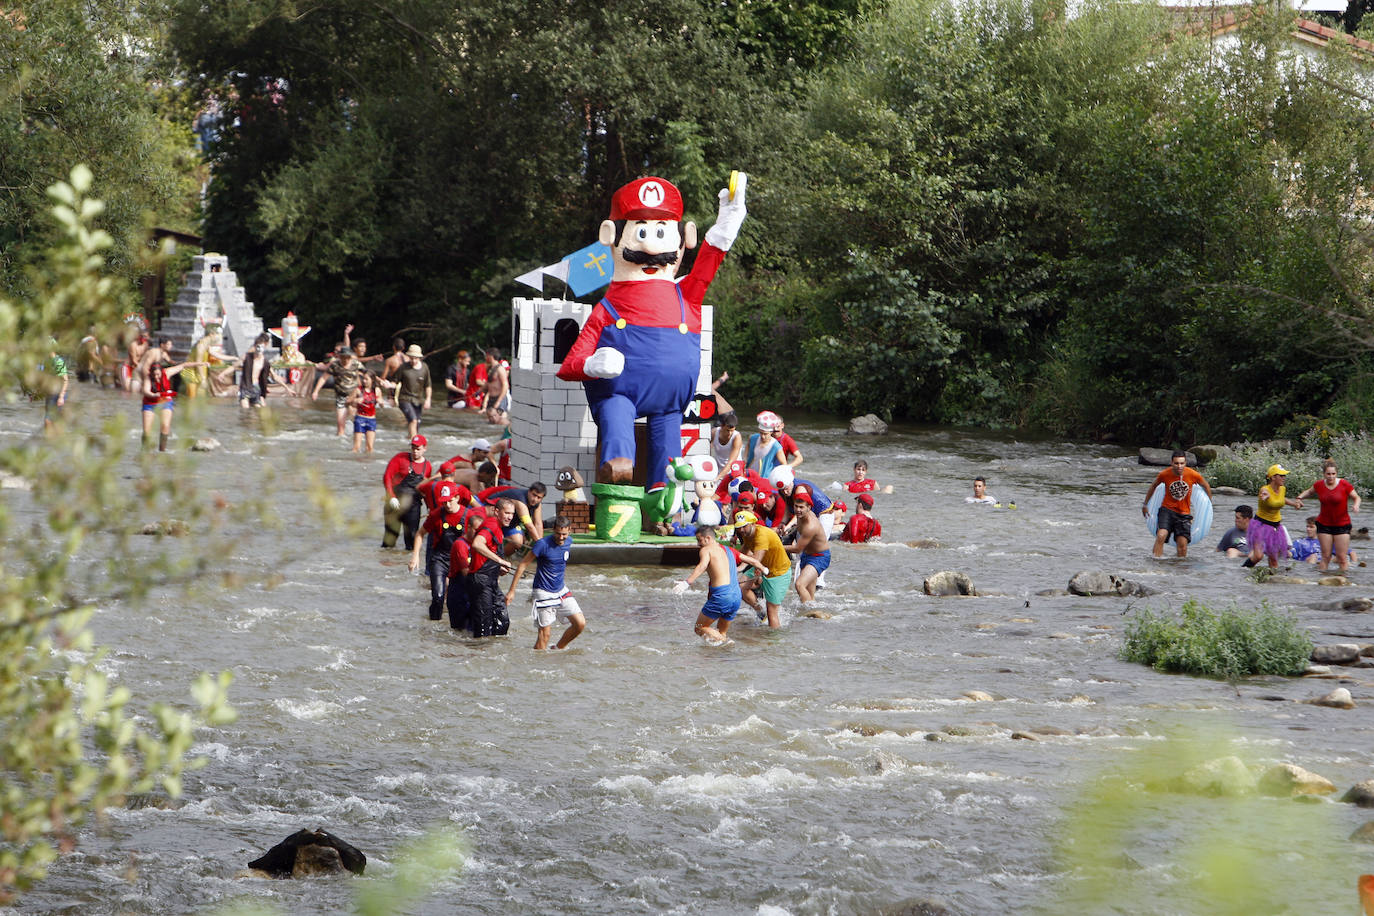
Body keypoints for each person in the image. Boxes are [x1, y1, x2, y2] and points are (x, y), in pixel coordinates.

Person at [556, 174, 746, 487]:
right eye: (640, 232)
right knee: (616, 413)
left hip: (670, 403)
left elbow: (711, 260)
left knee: (669, 459)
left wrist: (729, 221)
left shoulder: (687, 296)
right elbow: (569, 366)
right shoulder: (606, 309)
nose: (650, 246)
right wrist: (592, 364)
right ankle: (617, 462)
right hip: (621, 392)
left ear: (685, 237)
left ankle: (664, 505)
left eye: (661, 232)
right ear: (611, 235)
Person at [674, 526, 765, 644]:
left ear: (707, 538)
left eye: (699, 540)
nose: (698, 544)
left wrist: (687, 583)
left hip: (722, 596)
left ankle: (727, 642)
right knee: (720, 633)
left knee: (699, 628)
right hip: (736, 596)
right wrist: (764, 569)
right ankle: (721, 658)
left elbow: (702, 566)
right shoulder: (729, 550)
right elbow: (753, 561)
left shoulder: (706, 550)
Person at [507, 516, 586, 649]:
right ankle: (537, 665)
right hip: (543, 591)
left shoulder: (569, 541)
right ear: (553, 530)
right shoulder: (542, 544)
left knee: (580, 624)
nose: (561, 537)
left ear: (569, 531)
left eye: (564, 534)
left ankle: (558, 648)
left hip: (560, 589)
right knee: (545, 635)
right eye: (558, 534)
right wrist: (511, 591)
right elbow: (522, 565)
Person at [409, 482, 472, 622]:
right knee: (438, 597)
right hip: (439, 559)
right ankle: (433, 627)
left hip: (460, 561)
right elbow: (420, 533)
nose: (447, 505)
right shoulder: (436, 514)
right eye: (444, 502)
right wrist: (415, 556)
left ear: (457, 498)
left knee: (460, 599)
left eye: (450, 501)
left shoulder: (469, 515)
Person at [1141, 450, 1212, 558]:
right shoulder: (1164, 474)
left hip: (1183, 514)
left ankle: (1179, 570)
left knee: (1182, 544)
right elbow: (1153, 486)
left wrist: (1209, 506)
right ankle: (1155, 564)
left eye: (1182, 463)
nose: (1179, 466)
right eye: (1176, 463)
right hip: (1167, 510)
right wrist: (1145, 505)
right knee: (1161, 535)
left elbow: (1206, 486)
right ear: (1171, 463)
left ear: (1185, 463)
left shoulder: (1192, 474)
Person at [1298, 460, 1362, 573]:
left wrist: (1356, 505)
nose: (1331, 476)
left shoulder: (1344, 484)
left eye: (1333, 474)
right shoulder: (1319, 485)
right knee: (1325, 556)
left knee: (1342, 557)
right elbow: (1309, 492)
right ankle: (1323, 585)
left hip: (1342, 525)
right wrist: (1299, 498)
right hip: (1324, 525)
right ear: (1324, 474)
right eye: (1328, 474)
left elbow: (1356, 497)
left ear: (1336, 474)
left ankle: (1342, 583)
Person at [732, 510, 791, 628]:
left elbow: (756, 560)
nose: (741, 530)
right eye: (739, 527)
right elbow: (742, 552)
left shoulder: (761, 535)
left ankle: (773, 640)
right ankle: (760, 612)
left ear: (752, 523)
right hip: (762, 566)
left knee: (772, 611)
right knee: (741, 588)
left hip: (778, 572)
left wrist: (740, 568)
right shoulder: (748, 534)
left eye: (744, 526)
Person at [467, 498, 515, 637]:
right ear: (496, 511)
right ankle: (479, 653)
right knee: (483, 628)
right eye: (506, 513)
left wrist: (498, 568)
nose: (510, 517)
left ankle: (494, 655)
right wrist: (500, 560)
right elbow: (477, 544)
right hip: (480, 580)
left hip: (491, 580)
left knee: (502, 622)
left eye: (512, 513)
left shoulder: (499, 529)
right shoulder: (492, 524)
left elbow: (486, 553)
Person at [1244, 464, 1302, 568]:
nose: (1284, 478)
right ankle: (1244, 571)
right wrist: (1265, 497)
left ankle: (1272, 580)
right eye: (1281, 475)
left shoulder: (1282, 489)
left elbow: (1281, 499)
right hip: (1260, 525)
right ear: (1273, 477)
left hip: (1275, 527)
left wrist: (1294, 504)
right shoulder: (1265, 489)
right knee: (1258, 556)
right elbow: (1264, 495)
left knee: (1273, 560)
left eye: (1284, 476)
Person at [141, 359, 204, 451]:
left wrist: (201, 363)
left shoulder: (167, 372)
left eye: (158, 374)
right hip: (150, 403)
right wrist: (153, 394)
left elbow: (184, 365)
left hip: (165, 401)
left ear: (162, 372)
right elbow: (145, 391)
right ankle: (145, 452)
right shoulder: (148, 378)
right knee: (147, 431)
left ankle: (162, 450)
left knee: (165, 426)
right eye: (154, 375)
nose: (156, 377)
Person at [382, 435, 433, 549]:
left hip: (413, 507)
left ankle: (407, 564)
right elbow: (387, 477)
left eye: (418, 449)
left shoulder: (427, 466)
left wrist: (430, 507)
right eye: (413, 448)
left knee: (411, 540)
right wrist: (391, 497)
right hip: (394, 504)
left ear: (425, 448)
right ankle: (386, 564)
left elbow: (425, 489)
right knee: (389, 540)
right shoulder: (400, 458)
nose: (415, 451)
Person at [785, 489, 831, 606]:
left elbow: (797, 549)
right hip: (807, 555)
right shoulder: (800, 515)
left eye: (801, 507)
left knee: (799, 585)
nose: (798, 510)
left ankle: (813, 612)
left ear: (809, 508)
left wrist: (776, 546)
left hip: (819, 557)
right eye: (796, 506)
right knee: (809, 596)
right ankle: (812, 620)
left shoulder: (811, 525)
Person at [312, 345, 365, 437]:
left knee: (356, 420)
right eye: (343, 358)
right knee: (340, 426)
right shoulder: (335, 365)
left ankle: (354, 433)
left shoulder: (356, 364)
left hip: (354, 396)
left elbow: (368, 375)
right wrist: (316, 391)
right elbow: (324, 378)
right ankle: (341, 439)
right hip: (340, 396)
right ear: (340, 357)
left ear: (350, 357)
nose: (345, 360)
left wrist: (376, 384)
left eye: (347, 358)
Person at [476, 481, 547, 545]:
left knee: (517, 542)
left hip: (509, 522)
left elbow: (538, 524)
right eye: (534, 495)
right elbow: (529, 526)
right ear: (529, 491)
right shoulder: (520, 500)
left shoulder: (538, 504)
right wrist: (541, 546)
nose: (535, 499)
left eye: (539, 497)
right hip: (494, 518)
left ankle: (500, 556)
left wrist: (540, 542)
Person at [348, 372, 395, 454]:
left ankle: (367, 462)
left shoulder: (377, 391)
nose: (364, 381)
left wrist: (381, 403)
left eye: (366, 379)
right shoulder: (358, 390)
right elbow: (347, 401)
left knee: (370, 448)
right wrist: (355, 400)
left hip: (371, 420)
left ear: (372, 380)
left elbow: (381, 405)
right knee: (356, 447)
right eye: (363, 379)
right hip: (360, 419)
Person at [395, 344, 432, 440]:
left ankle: (409, 439)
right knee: (413, 420)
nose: (413, 361)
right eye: (411, 358)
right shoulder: (403, 367)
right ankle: (415, 443)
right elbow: (395, 382)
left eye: (416, 358)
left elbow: (428, 385)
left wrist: (428, 399)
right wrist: (391, 395)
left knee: (417, 423)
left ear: (419, 358)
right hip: (404, 399)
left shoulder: (425, 368)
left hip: (418, 400)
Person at [41, 341, 69, 433]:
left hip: (59, 394)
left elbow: (65, 380)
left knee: (48, 421)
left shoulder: (59, 362)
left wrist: (61, 397)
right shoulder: (46, 361)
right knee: (50, 420)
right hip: (49, 393)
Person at [239, 333, 273, 408]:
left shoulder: (264, 359)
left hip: (256, 386)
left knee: (259, 407)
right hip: (247, 385)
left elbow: (268, 372)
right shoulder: (252, 352)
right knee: (249, 408)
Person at [709, 412, 743, 483]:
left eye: (732, 431)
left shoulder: (737, 437)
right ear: (722, 426)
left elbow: (731, 462)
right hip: (718, 469)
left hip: (733, 470)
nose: (730, 433)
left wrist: (717, 478)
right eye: (727, 430)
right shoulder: (714, 432)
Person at [483, 348, 510, 422]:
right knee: (491, 421)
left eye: (486, 356)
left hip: (500, 399)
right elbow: (488, 383)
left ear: (491, 356)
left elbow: (505, 385)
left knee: (501, 421)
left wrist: (498, 401)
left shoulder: (500, 369)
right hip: (491, 399)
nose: (485, 358)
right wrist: (479, 391)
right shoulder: (490, 368)